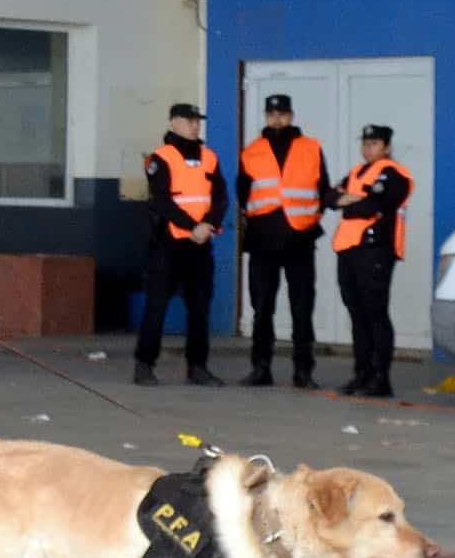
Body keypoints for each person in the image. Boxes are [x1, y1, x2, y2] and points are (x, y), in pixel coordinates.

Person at [236, 94, 332, 389]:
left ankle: (303, 371)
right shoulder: (251, 152)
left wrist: (312, 216)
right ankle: (260, 368)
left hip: (299, 239)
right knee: (262, 309)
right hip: (263, 241)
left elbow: (323, 188)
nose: (276, 119)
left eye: (282, 114)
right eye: (271, 114)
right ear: (266, 116)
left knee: (302, 308)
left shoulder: (311, 148)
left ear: (291, 116)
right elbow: (243, 195)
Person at [133, 103, 229, 387]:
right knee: (157, 304)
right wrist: (192, 226)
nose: (195, 125)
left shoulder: (209, 157)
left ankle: (197, 366)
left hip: (200, 244)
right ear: (173, 123)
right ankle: (144, 365)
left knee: (200, 306)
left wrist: (208, 224)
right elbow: (161, 200)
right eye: (189, 121)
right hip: (168, 243)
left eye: (197, 121)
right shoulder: (160, 158)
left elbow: (220, 197)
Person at [332, 124, 413, 398]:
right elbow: (329, 197)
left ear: (387, 147)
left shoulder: (394, 174)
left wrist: (350, 201)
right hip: (349, 249)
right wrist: (354, 199)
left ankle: (381, 378)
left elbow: (376, 205)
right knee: (357, 314)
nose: (368, 148)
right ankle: (362, 373)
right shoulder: (356, 172)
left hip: (376, 251)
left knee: (375, 313)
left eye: (374, 143)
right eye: (365, 143)